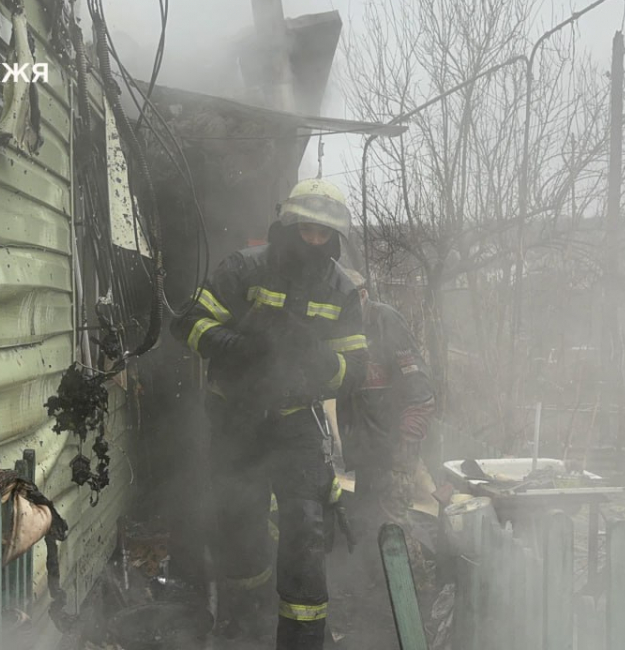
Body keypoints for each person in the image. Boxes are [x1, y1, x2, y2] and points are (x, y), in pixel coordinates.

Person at [171, 178, 367, 649]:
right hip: (236, 417)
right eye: (306, 230)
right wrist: (242, 348)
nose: (315, 241)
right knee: (239, 523)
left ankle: (301, 641)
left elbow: (352, 373)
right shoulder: (245, 267)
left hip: (297, 418)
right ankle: (244, 627)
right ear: (288, 225)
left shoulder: (341, 289)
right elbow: (188, 323)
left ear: (335, 236)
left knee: (304, 530)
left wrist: (319, 358)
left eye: (324, 233)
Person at [336, 271, 437, 590]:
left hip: (394, 447)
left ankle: (417, 600)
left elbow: (420, 389)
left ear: (363, 295)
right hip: (367, 451)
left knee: (396, 526)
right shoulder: (341, 329)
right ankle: (381, 598)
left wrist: (406, 443)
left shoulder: (386, 321)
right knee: (369, 526)